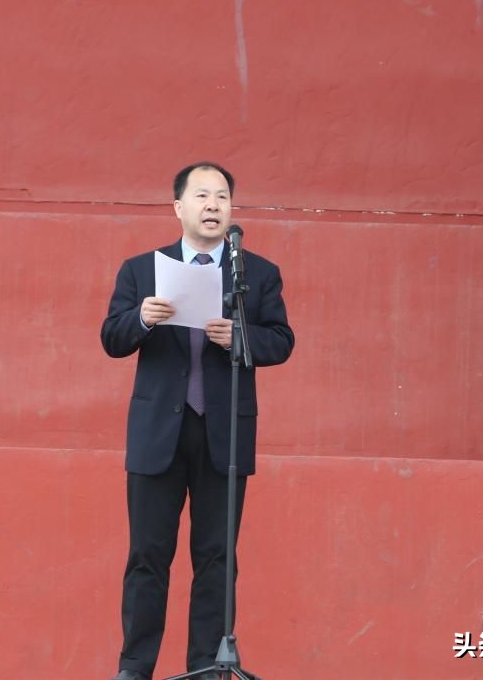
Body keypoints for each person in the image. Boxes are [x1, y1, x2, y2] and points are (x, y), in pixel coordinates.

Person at [101, 162, 294, 680]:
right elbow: (112, 338)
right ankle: (134, 668)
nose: (213, 205)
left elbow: (282, 341)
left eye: (222, 197)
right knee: (147, 556)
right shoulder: (142, 270)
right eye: (202, 196)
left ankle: (208, 669)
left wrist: (240, 337)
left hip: (223, 433)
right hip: (157, 434)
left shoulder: (257, 273)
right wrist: (142, 318)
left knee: (216, 558)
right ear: (179, 207)